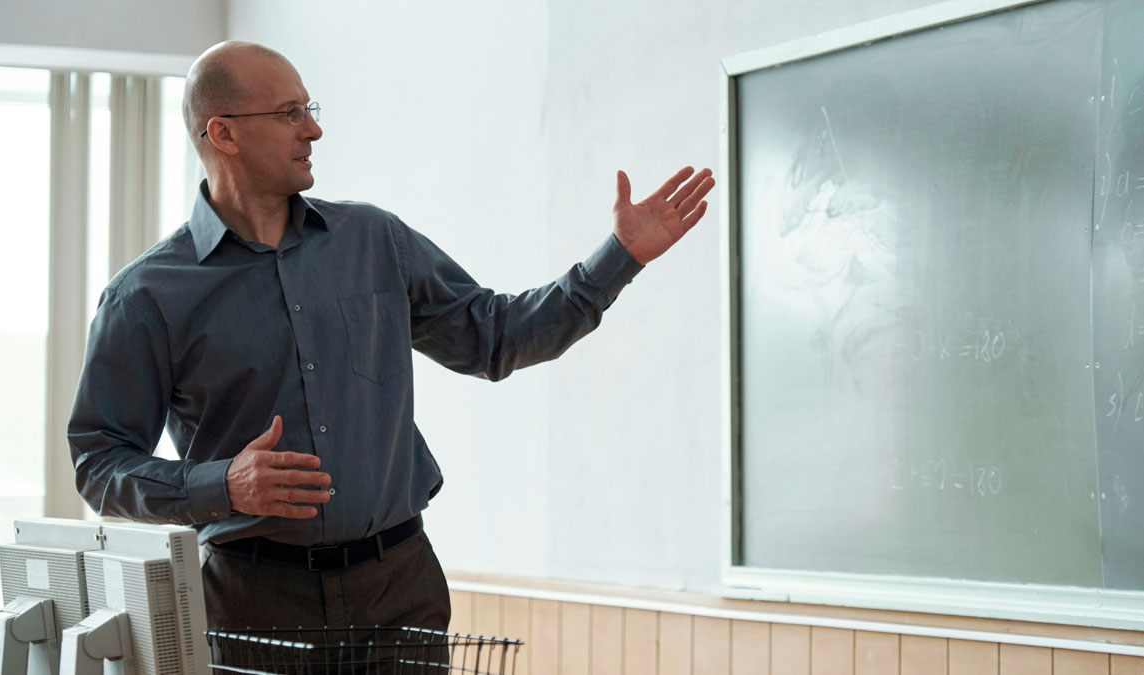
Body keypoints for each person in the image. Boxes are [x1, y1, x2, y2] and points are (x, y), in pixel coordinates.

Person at [67, 41, 714, 634]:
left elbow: (495, 338)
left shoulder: (375, 240)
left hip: (399, 589)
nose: (313, 129)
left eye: (310, 109)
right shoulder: (146, 295)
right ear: (223, 133)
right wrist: (221, 485)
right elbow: (99, 463)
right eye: (290, 113)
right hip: (253, 601)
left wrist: (619, 257)